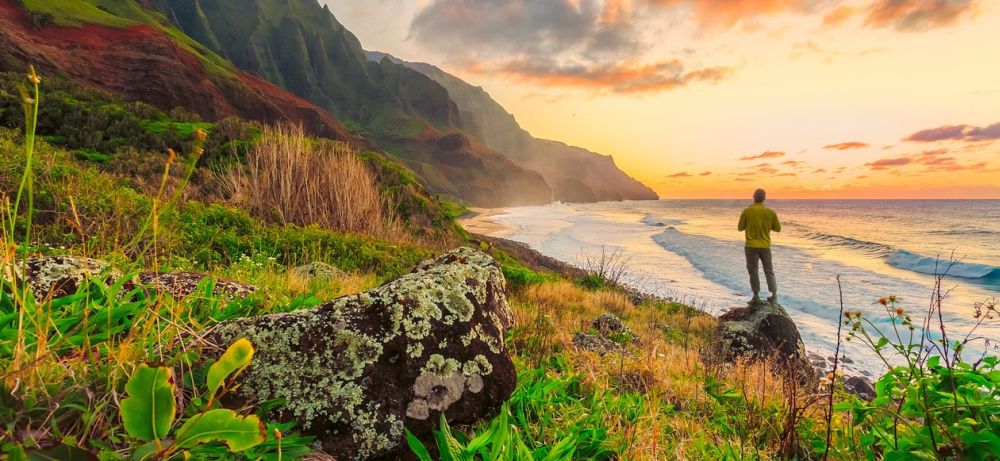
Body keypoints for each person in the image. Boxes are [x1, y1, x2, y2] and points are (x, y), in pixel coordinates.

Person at [738, 188, 781, 304]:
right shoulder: (770, 212)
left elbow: (740, 228)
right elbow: (778, 228)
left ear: (753, 197)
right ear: (764, 198)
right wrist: (765, 225)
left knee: (753, 270)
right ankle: (774, 295)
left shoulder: (747, 211)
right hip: (765, 246)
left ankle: (756, 295)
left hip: (751, 246)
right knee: (769, 270)